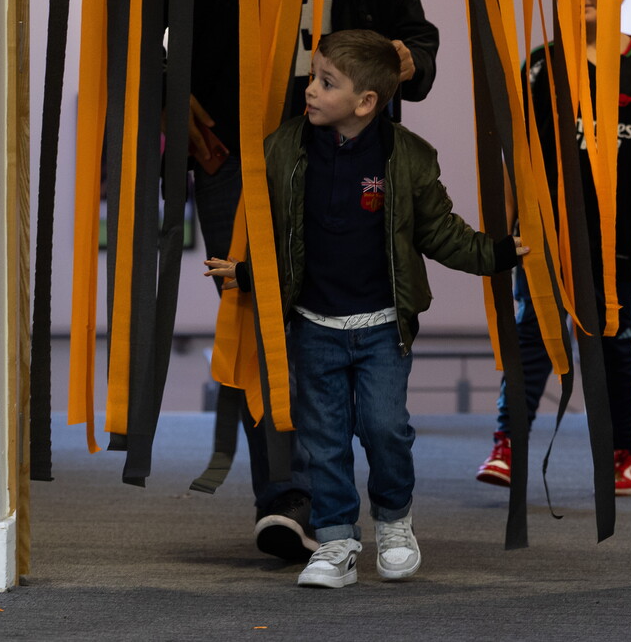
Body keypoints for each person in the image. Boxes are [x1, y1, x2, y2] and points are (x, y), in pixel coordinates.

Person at [164, 0, 440, 561]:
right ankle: (287, 500)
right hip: (239, 161)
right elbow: (131, 21)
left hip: (348, 167)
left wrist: (404, 61)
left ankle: (343, 496)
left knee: (340, 323)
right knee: (259, 318)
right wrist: (169, 90)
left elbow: (420, 43)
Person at [205, 30, 527, 587]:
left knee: (385, 429)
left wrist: (495, 254)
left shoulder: (408, 158)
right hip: (314, 327)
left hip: (382, 330)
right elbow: (284, 238)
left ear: (366, 102)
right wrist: (249, 275)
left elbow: (439, 232)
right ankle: (334, 542)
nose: (310, 90)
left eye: (325, 82)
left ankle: (395, 522)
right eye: (312, 76)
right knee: (322, 439)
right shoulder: (285, 149)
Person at [476, 0, 631, 496]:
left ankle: (623, 454)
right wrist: (504, 228)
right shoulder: (541, 65)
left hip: (617, 242)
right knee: (532, 339)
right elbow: (519, 158)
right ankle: (510, 446)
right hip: (543, 240)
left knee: (613, 344)